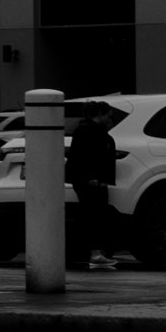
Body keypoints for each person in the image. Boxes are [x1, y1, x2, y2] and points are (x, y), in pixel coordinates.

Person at [65, 101, 119, 269]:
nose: (110, 120)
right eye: (108, 116)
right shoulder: (89, 132)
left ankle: (94, 253)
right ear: (100, 114)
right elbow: (85, 157)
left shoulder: (90, 130)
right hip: (90, 181)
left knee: (93, 215)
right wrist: (92, 177)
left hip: (91, 180)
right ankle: (95, 254)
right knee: (93, 215)